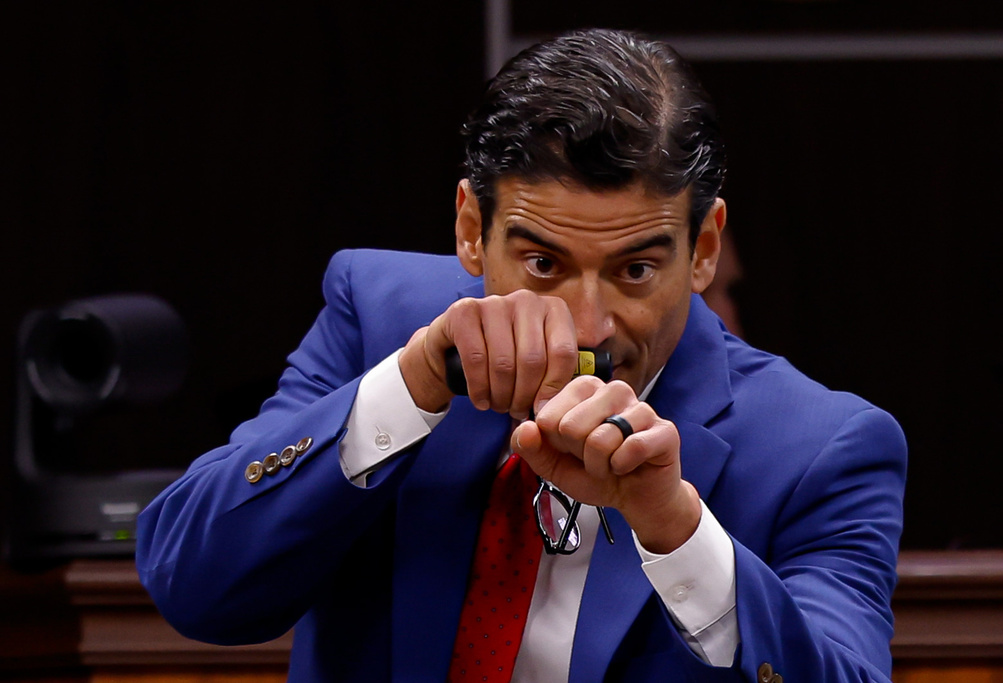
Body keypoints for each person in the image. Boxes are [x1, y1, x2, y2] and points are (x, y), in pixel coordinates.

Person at [136, 28, 906, 682]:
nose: (586, 325)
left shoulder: (823, 448)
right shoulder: (378, 315)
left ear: (703, 249)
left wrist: (674, 527)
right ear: (472, 228)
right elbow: (192, 583)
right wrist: (407, 389)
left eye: (635, 269)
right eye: (543, 264)